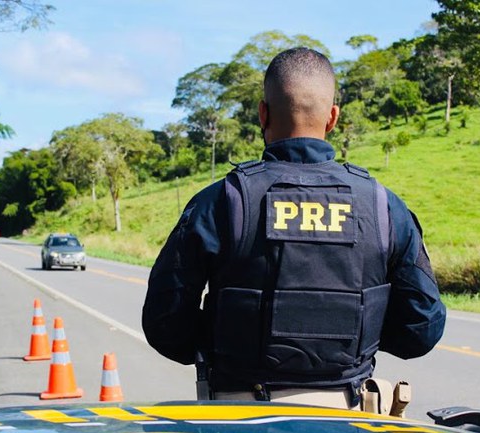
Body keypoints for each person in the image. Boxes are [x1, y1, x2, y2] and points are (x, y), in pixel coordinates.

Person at [142, 47, 446, 408]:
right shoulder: (383, 206)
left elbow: (165, 325)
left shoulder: (222, 201)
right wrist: (358, 338)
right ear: (333, 118)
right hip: (352, 422)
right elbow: (421, 329)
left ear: (262, 113)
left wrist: (228, 338)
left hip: (235, 419)